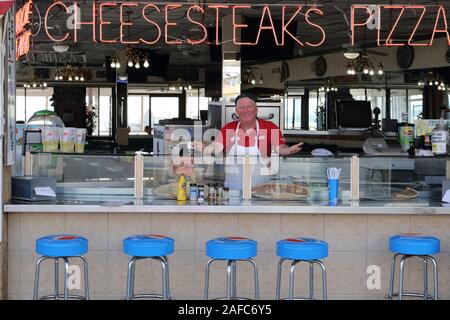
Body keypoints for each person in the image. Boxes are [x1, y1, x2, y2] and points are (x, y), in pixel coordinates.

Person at [205, 93, 303, 190]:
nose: (245, 110)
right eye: (241, 107)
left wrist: (288, 150)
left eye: (249, 106)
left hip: (262, 190)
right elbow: (217, 149)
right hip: (232, 190)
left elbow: (280, 147)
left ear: (256, 109)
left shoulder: (269, 127)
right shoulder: (228, 128)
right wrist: (206, 148)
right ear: (236, 111)